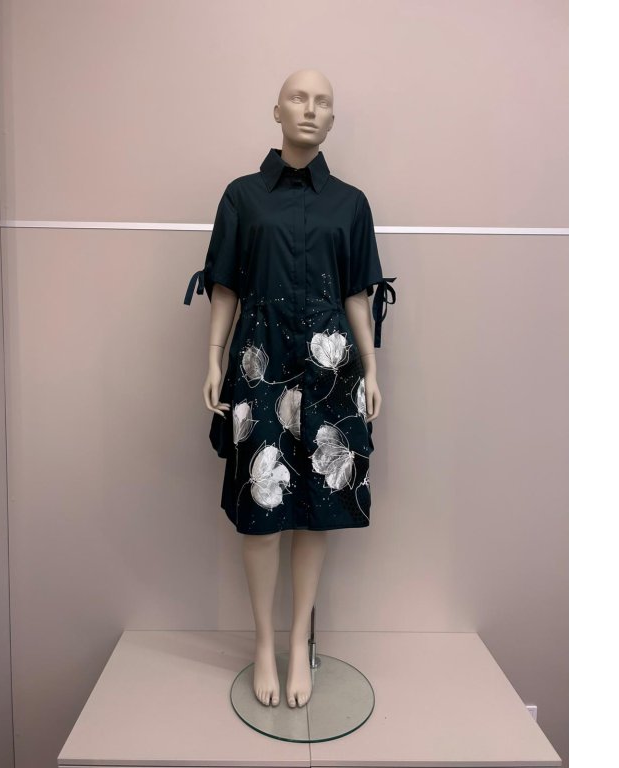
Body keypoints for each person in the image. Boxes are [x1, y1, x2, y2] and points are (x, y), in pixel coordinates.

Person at [183, 69, 396, 709]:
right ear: (276, 110)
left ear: (333, 118)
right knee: (262, 505)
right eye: (298, 98)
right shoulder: (242, 197)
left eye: (322, 101)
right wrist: (213, 358)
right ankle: (262, 642)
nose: (310, 109)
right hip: (260, 359)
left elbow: (357, 293)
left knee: (316, 507)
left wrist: (372, 368)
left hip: (331, 366)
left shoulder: (350, 204)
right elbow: (224, 285)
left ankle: (300, 638)